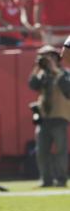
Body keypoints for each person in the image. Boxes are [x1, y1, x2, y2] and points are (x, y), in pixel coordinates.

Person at [29, 44, 70, 187]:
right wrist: (37, 67)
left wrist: (55, 71)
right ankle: (46, 180)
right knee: (41, 151)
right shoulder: (42, 75)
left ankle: (61, 179)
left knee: (61, 150)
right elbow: (32, 85)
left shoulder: (64, 73)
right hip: (44, 118)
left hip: (60, 117)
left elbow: (68, 90)